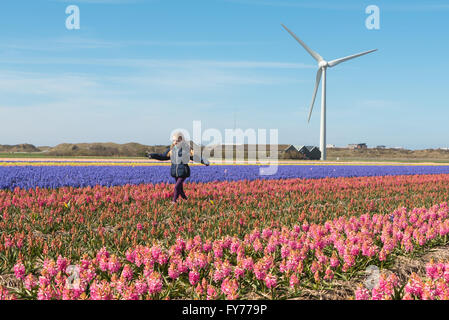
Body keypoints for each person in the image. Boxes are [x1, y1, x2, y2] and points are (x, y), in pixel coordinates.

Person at [146, 132, 209, 203]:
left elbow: (194, 158)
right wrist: (153, 155)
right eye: (174, 140)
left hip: (183, 172)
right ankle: (185, 199)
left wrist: (204, 161)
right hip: (175, 172)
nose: (175, 142)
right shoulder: (171, 150)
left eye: (177, 140)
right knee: (180, 188)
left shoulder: (186, 150)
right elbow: (163, 157)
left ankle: (174, 201)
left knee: (176, 187)